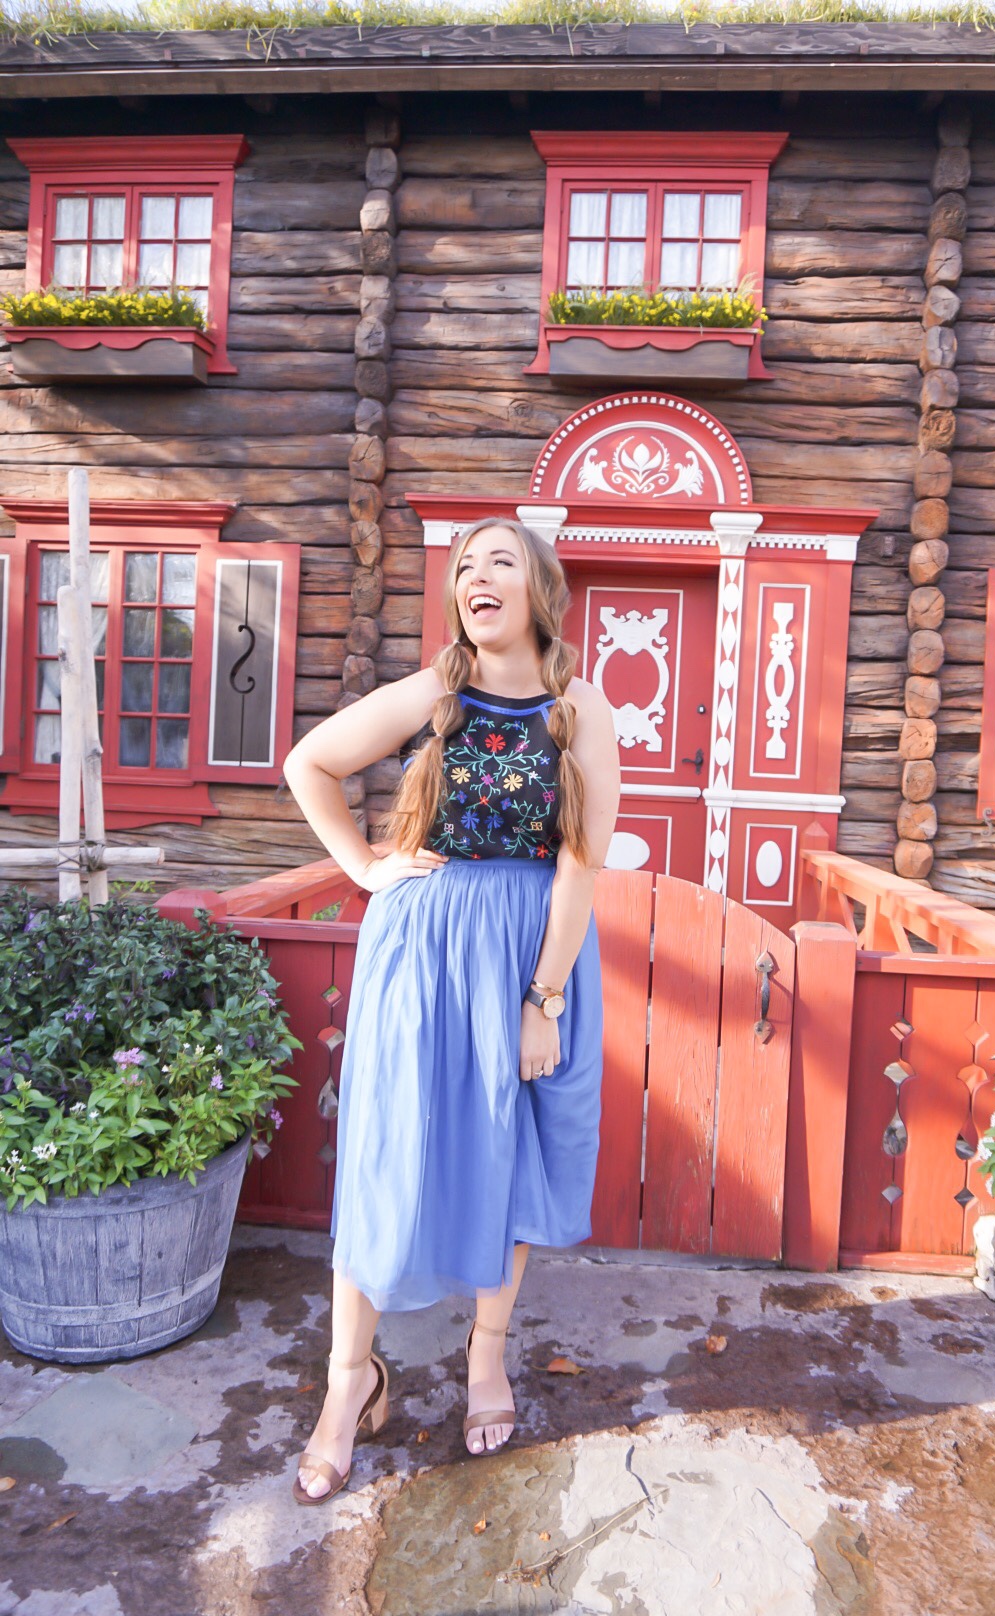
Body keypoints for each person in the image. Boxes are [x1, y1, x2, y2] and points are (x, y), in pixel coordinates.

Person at [282, 515, 620, 1502]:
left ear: (539, 589)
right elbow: (310, 764)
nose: (477, 575)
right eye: (466, 565)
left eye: (499, 561)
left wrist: (542, 999)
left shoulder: (581, 706)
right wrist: (364, 867)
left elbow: (581, 863)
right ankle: (349, 1381)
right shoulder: (435, 690)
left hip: (525, 956)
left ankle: (486, 1356)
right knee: (387, 1149)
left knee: (508, 1149)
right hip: (421, 953)